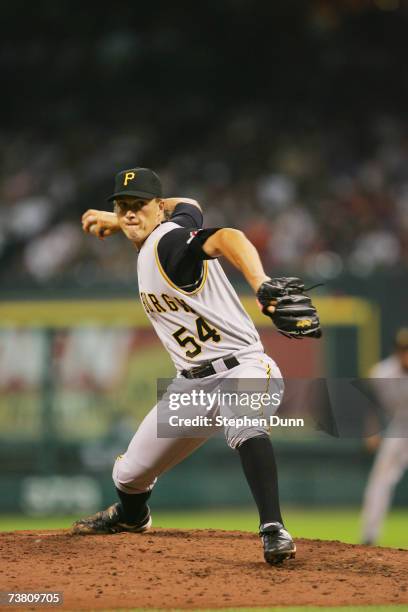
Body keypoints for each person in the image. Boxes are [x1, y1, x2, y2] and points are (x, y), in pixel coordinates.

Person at [72, 167, 320, 564]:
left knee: (244, 424)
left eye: (139, 206)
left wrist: (258, 282)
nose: (131, 214)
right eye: (123, 206)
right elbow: (190, 205)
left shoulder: (167, 245)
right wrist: (118, 221)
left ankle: (273, 527)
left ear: (157, 209)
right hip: (192, 386)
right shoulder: (169, 225)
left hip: (244, 367)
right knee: (128, 475)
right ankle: (133, 519)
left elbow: (228, 237)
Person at [361, 328, 408, 546]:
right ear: (397, 351)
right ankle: (370, 535)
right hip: (399, 430)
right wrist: (372, 429)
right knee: (380, 481)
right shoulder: (383, 372)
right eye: (403, 349)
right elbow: (371, 403)